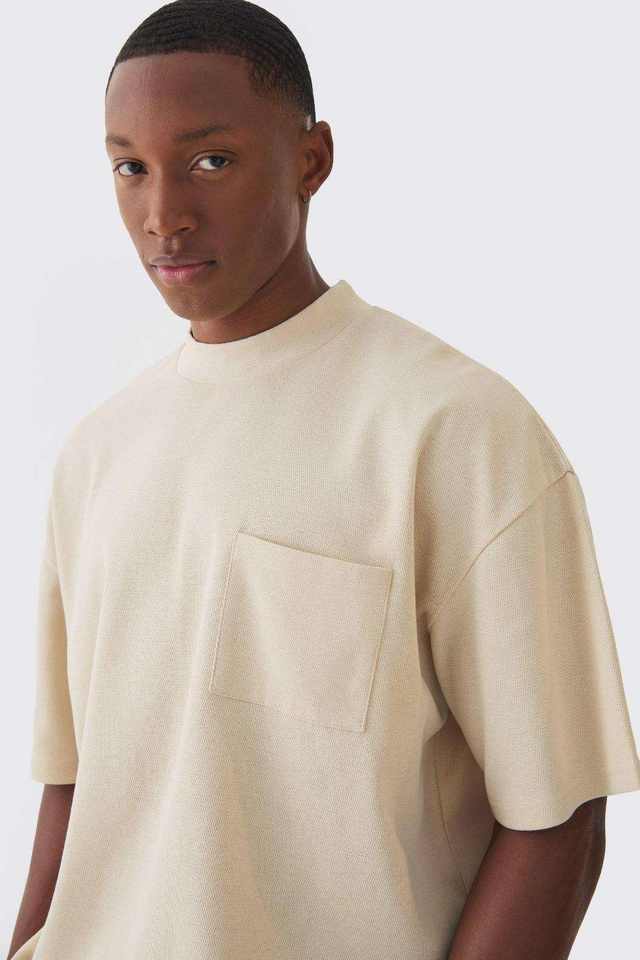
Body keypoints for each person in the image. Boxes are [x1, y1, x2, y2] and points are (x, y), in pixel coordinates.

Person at [7, 1, 640, 958]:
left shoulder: (455, 432)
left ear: (312, 159)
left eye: (210, 160)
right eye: (130, 167)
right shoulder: (97, 456)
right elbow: (75, 786)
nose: (163, 214)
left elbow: (558, 818)